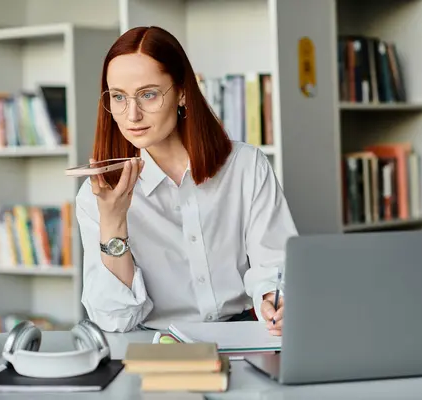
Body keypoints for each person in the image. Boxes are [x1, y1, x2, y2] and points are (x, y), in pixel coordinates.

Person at [75, 25, 298, 335]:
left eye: (148, 94)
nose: (132, 115)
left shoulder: (246, 166)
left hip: (245, 335)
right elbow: (114, 319)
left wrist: (277, 302)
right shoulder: (97, 194)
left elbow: (275, 268)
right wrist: (112, 224)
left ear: (181, 92)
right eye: (119, 97)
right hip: (154, 346)